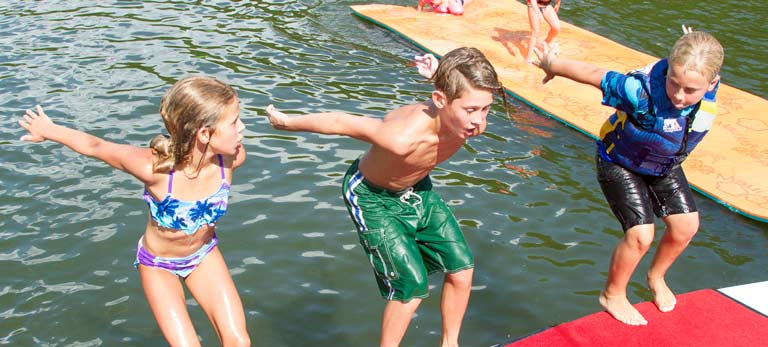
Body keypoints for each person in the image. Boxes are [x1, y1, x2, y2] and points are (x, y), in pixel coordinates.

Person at [266, 47, 502, 347]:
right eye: (471, 110)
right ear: (441, 101)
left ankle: (450, 344)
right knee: (411, 286)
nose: (479, 121)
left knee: (462, 266)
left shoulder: (461, 116)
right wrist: (286, 122)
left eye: (486, 109)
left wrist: (439, 72)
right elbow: (342, 123)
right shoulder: (402, 137)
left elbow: (457, 90)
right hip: (371, 195)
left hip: (416, 189)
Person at [18, 76, 250, 346]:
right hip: (159, 266)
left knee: (239, 341)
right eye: (234, 122)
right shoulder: (156, 171)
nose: (242, 128)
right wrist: (48, 129)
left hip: (204, 255)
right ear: (204, 134)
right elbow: (98, 147)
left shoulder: (231, 160)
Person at [533, 29, 723, 325]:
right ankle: (613, 294)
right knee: (640, 235)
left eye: (690, 90)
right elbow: (593, 73)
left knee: (686, 226)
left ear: (711, 83)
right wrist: (552, 65)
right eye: (673, 83)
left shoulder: (706, 78)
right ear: (668, 70)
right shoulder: (639, 91)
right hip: (620, 161)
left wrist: (692, 38)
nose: (678, 96)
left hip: (662, 164)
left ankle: (656, 277)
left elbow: (699, 55)